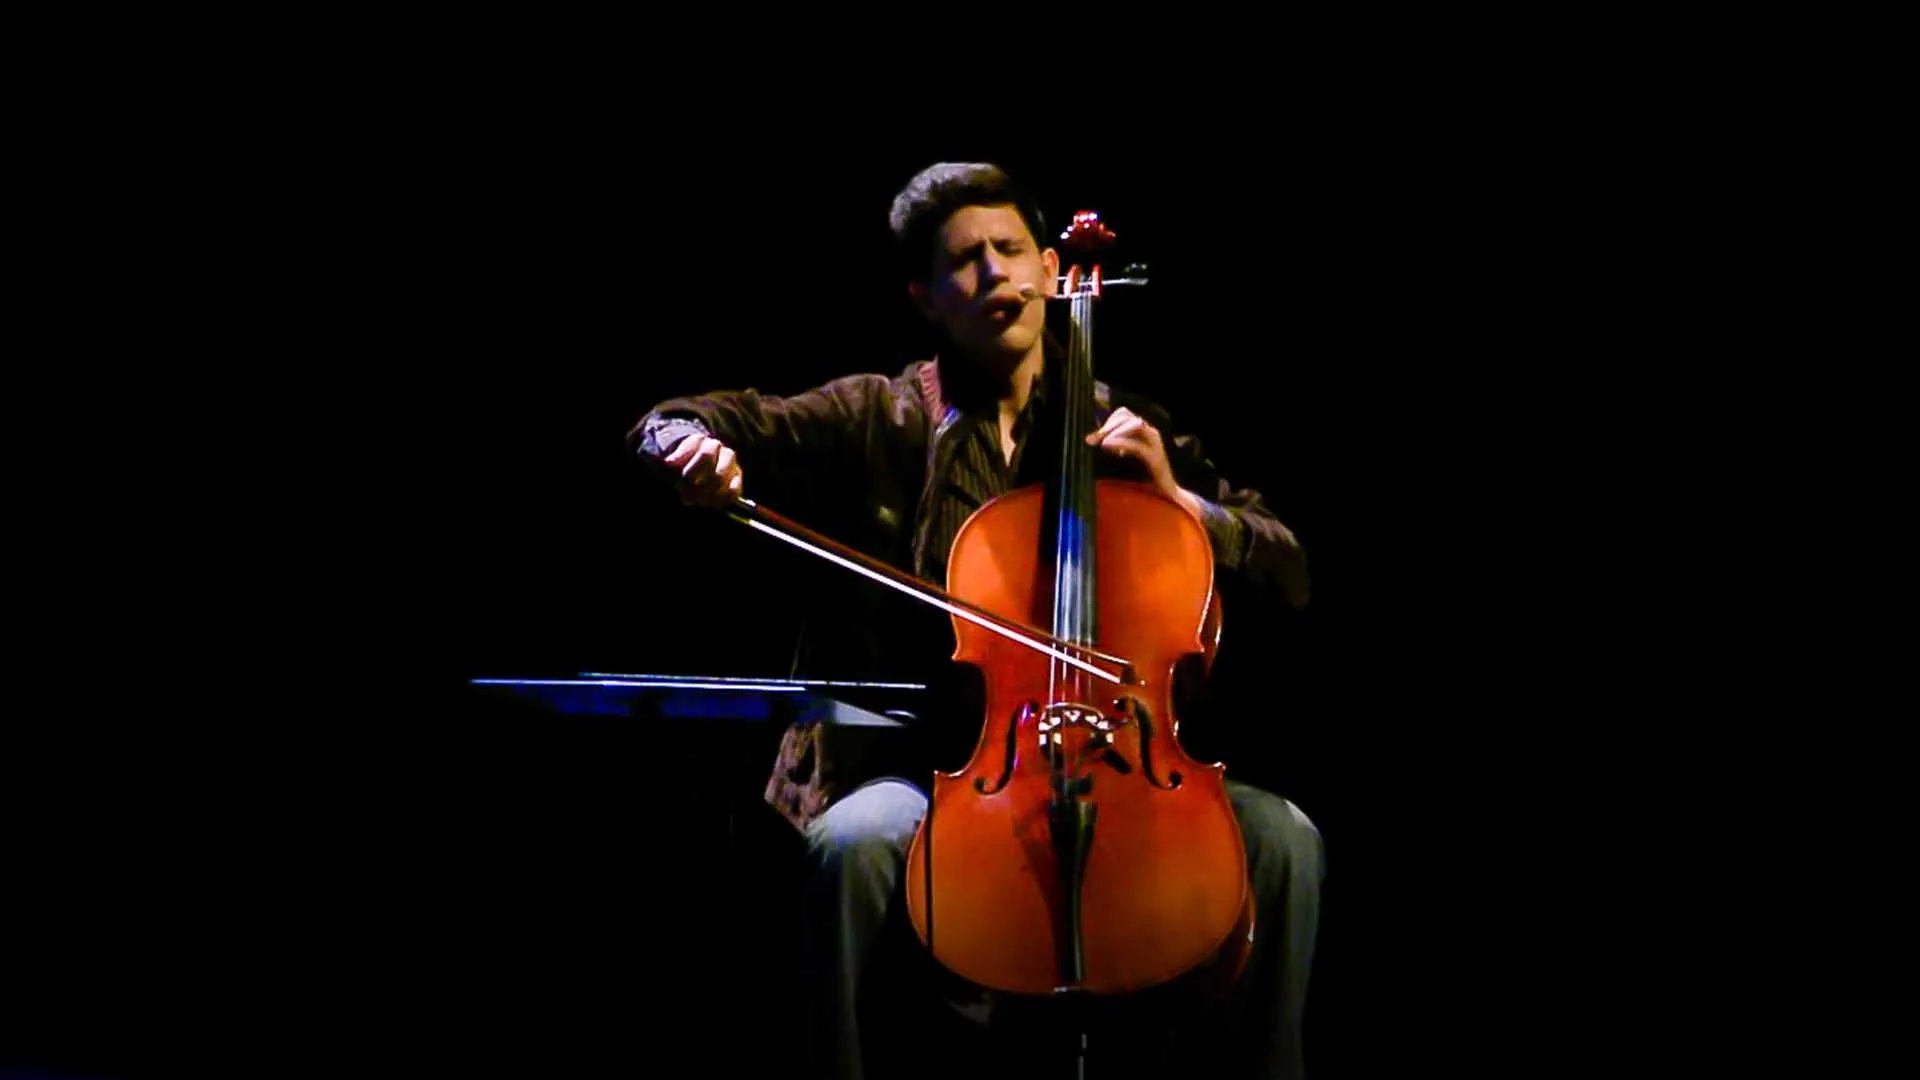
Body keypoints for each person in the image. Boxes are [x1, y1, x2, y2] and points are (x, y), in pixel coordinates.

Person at [628, 162, 1324, 1079]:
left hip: (1120, 764)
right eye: (965, 260)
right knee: (851, 845)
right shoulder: (872, 416)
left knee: (1283, 839)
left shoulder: (1117, 427)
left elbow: (1288, 566)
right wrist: (685, 447)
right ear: (924, 295)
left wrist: (1183, 505)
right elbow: (686, 417)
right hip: (917, 767)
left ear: (1049, 269)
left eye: (1009, 250)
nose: (995, 273)